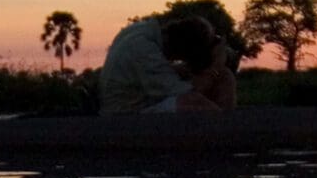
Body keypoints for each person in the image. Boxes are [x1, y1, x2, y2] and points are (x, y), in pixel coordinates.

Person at [95, 12, 238, 114]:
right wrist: (216, 66)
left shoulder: (139, 31)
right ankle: (224, 136)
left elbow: (157, 73)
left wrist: (195, 69)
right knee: (194, 103)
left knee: (225, 77)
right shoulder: (144, 49)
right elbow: (191, 93)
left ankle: (226, 134)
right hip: (125, 116)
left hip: (139, 103)